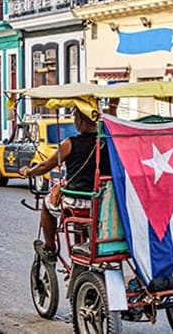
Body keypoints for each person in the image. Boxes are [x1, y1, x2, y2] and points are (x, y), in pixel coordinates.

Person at [20, 111, 109, 262]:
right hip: (103, 202)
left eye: (76, 118)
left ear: (80, 121)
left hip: (77, 202)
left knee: (47, 204)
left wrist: (28, 172)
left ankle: (50, 248)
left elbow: (45, 166)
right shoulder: (107, 142)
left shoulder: (70, 143)